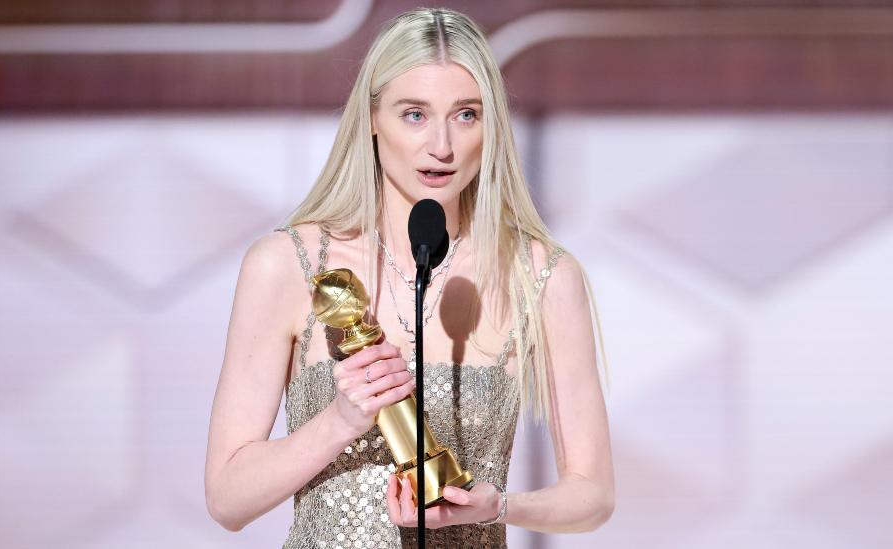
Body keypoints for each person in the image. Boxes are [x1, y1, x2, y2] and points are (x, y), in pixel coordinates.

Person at [204, 7, 614, 548]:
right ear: (372, 118)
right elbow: (227, 499)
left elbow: (594, 495)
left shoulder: (540, 276)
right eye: (414, 114)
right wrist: (340, 421)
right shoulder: (289, 264)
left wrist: (501, 506)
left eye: (466, 115)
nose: (441, 146)